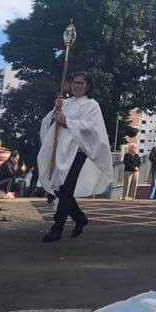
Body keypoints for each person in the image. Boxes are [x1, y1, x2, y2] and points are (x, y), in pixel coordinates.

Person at [38, 72, 114, 243]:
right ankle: (79, 217)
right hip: (60, 149)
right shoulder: (66, 102)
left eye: (80, 83)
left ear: (88, 86)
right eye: (74, 82)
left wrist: (67, 121)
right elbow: (49, 122)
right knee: (58, 187)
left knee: (66, 188)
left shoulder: (91, 105)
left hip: (78, 150)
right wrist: (56, 109)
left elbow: (90, 126)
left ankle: (57, 228)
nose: (76, 85)